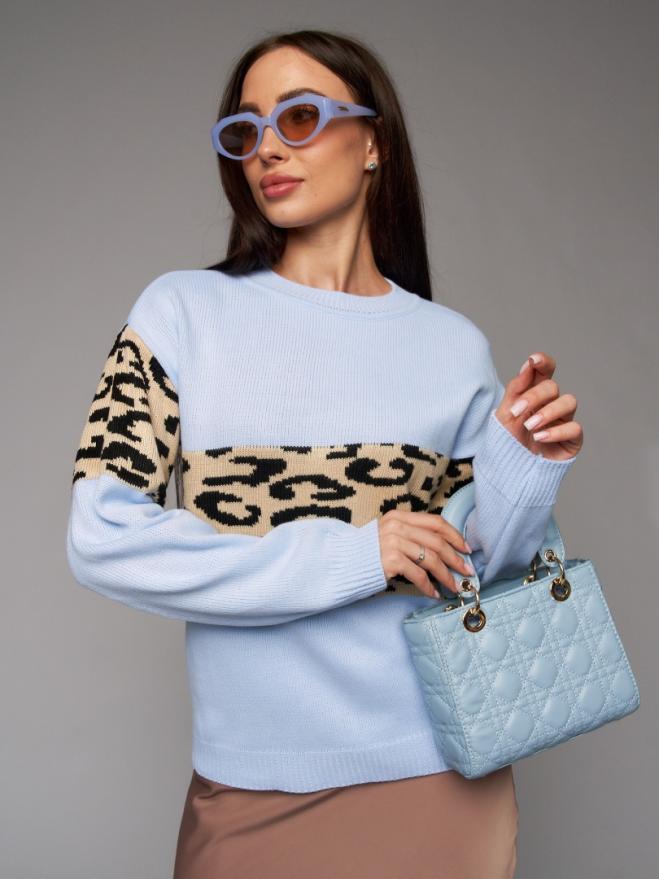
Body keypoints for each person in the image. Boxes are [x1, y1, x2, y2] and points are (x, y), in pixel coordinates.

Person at [66, 28, 583, 879]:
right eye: (246, 130)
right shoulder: (181, 314)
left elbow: (479, 568)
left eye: (299, 117)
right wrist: (356, 554)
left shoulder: (450, 345)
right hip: (253, 782)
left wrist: (523, 466)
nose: (267, 147)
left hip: (442, 775)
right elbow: (102, 536)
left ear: (373, 142)